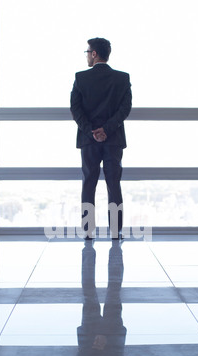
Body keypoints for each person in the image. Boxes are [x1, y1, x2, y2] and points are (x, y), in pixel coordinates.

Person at [70, 38, 132, 240]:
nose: (87, 55)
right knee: (114, 184)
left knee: (89, 183)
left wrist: (91, 132)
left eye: (88, 52)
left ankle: (88, 231)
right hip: (113, 139)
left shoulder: (81, 78)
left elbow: (76, 109)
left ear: (94, 53)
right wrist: (106, 129)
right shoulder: (122, 78)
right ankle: (116, 231)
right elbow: (124, 110)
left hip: (89, 141)